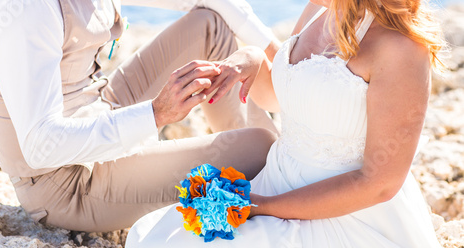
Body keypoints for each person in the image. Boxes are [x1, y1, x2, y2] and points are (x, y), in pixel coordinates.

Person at [126, 0, 446, 246]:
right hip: (275, 181)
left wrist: (263, 206)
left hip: (346, 214)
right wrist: (252, 62)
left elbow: (380, 184)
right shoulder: (319, 10)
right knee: (158, 239)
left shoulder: (400, 48)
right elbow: (285, 100)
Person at [0, 0, 281, 232]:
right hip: (65, 180)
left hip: (100, 105)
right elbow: (41, 147)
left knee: (209, 25)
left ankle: (256, 170)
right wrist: (156, 114)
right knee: (260, 146)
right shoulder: (25, 9)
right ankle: (261, 168)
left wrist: (278, 56)